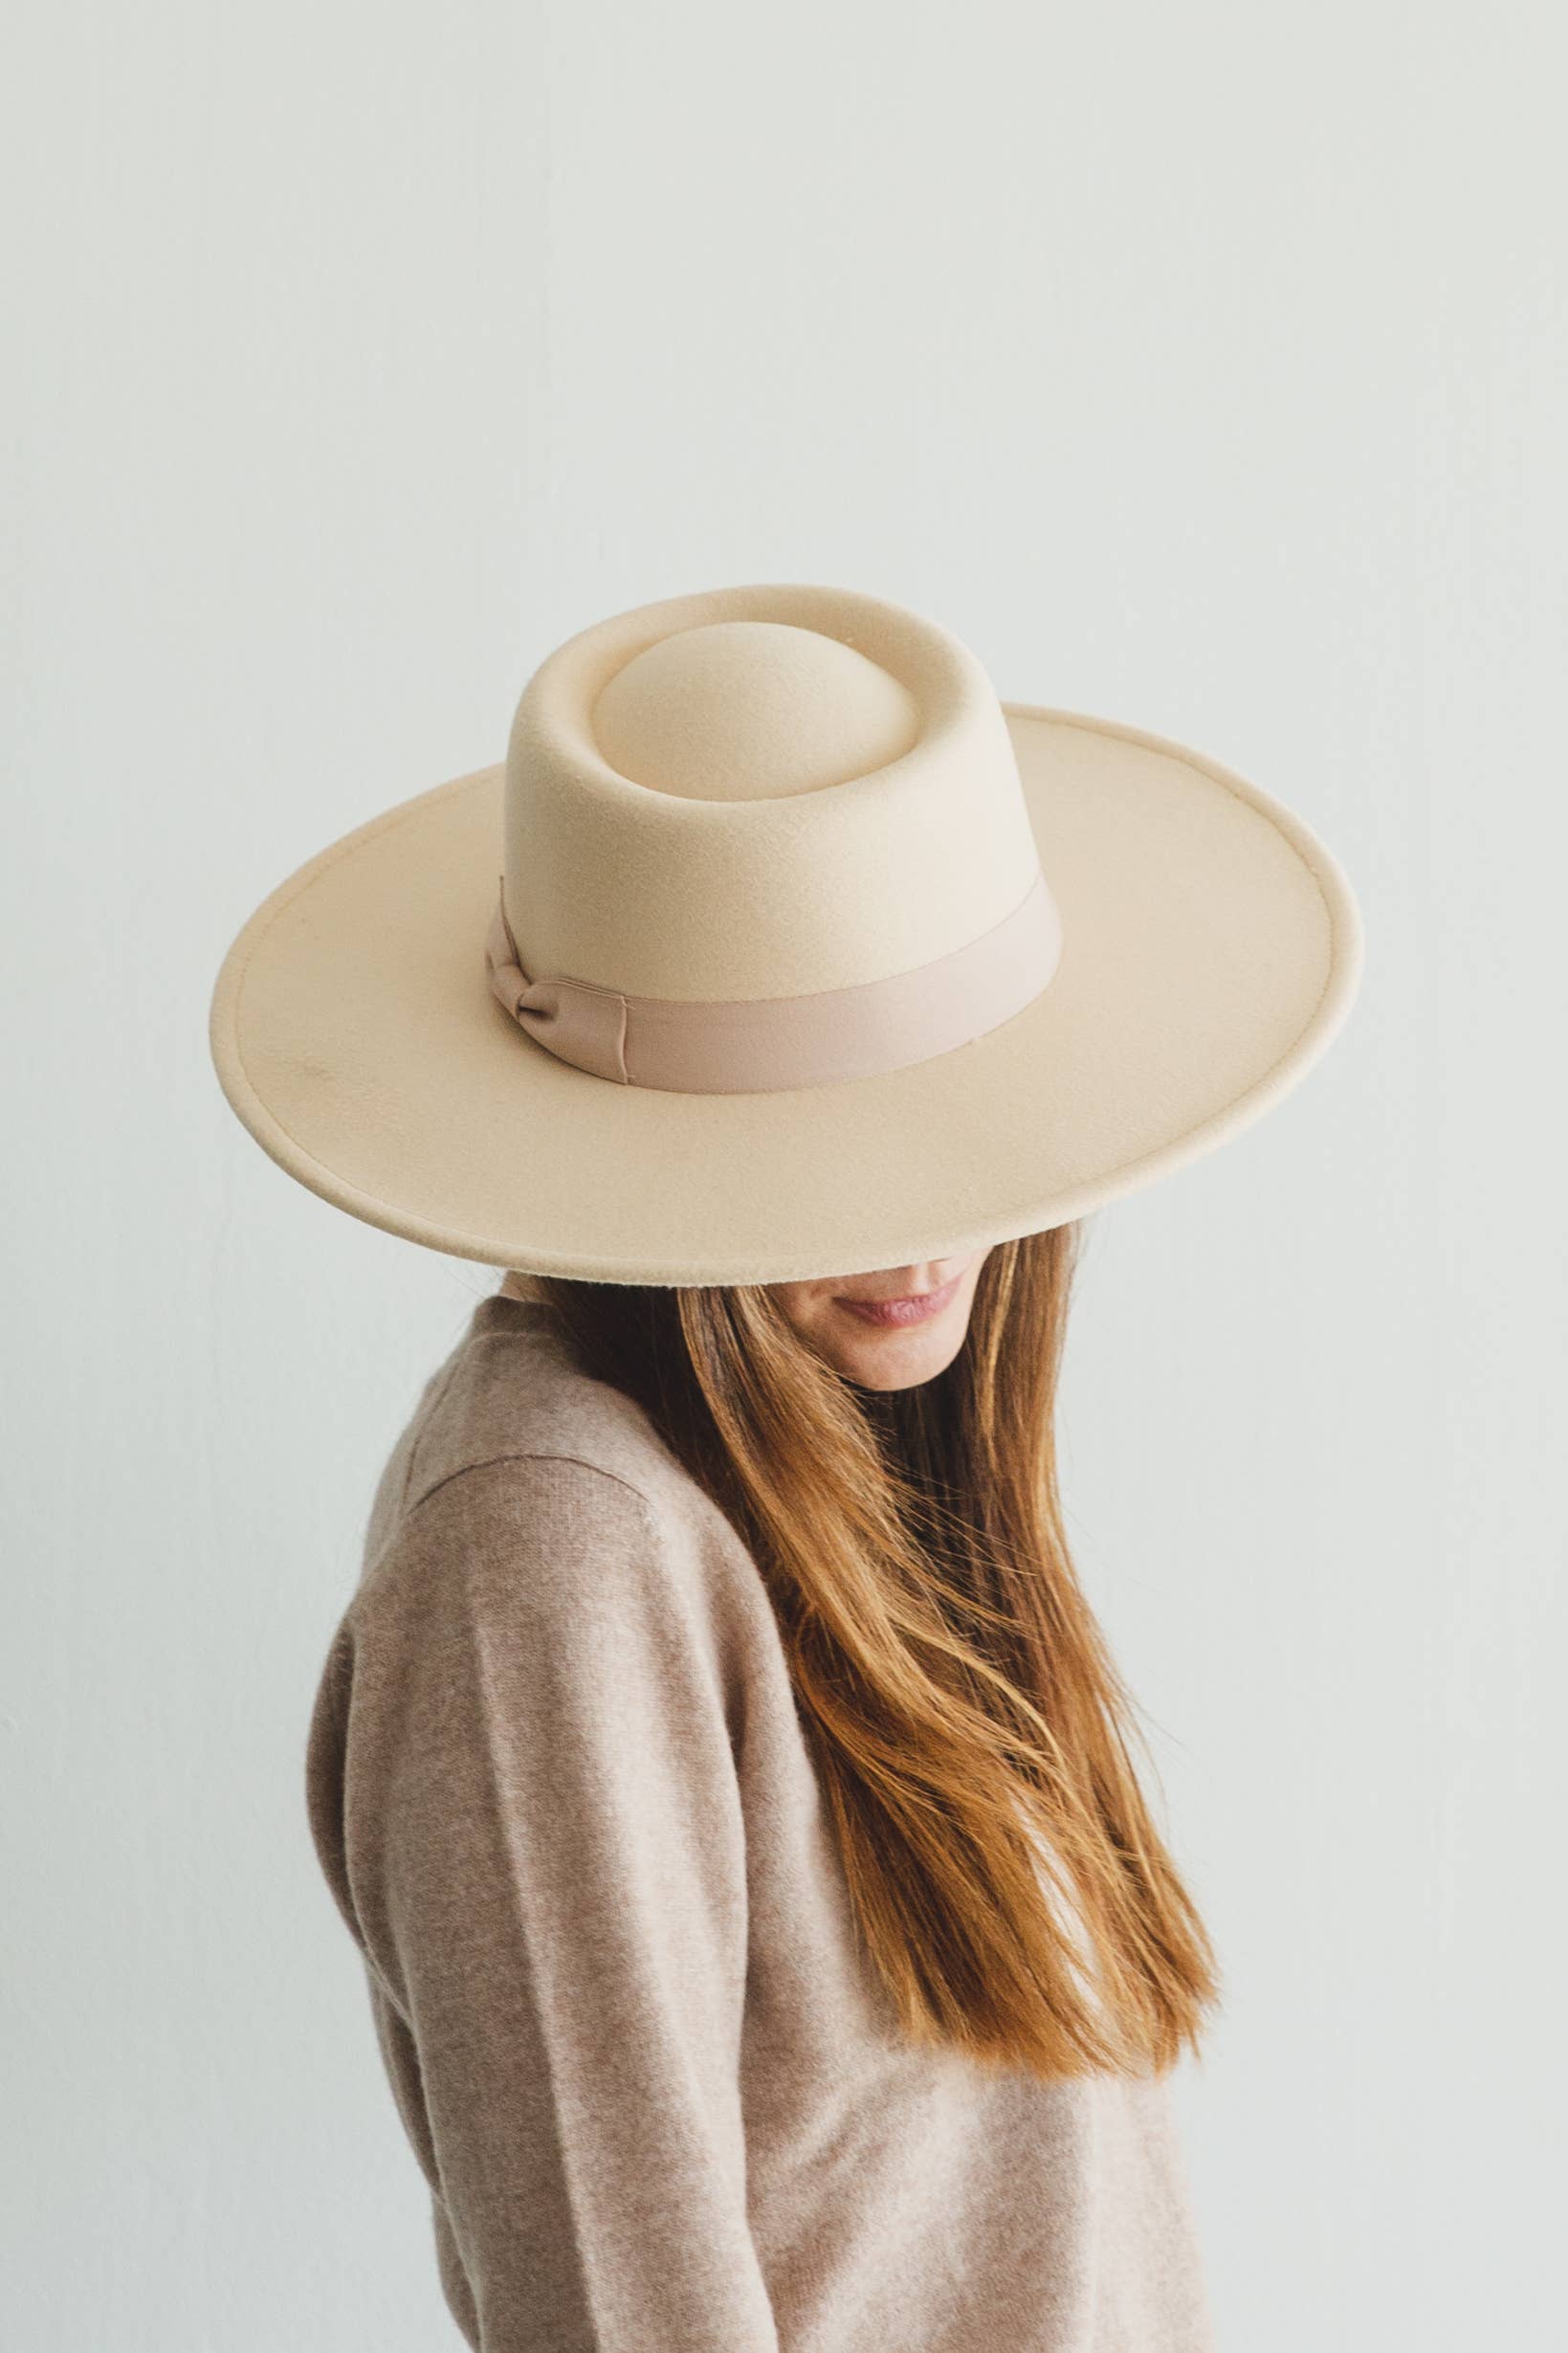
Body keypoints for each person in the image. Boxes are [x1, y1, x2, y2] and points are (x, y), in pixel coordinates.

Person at [210, 582, 1361, 2349]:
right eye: (815, 1148)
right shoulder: (549, 1545)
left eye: (939, 1115)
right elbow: (619, 2305)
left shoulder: (854, 1462)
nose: (918, 1228)